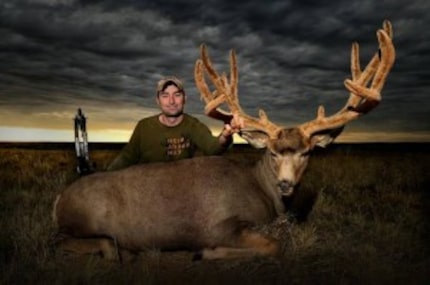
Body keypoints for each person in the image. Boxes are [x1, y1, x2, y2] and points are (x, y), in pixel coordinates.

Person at [107, 76, 243, 171]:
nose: (171, 101)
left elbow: (213, 147)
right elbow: (126, 158)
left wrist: (226, 135)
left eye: (177, 95)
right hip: (148, 194)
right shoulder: (144, 127)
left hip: (180, 192)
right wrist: (104, 177)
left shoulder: (193, 126)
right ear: (158, 100)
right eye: (165, 96)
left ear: (185, 99)